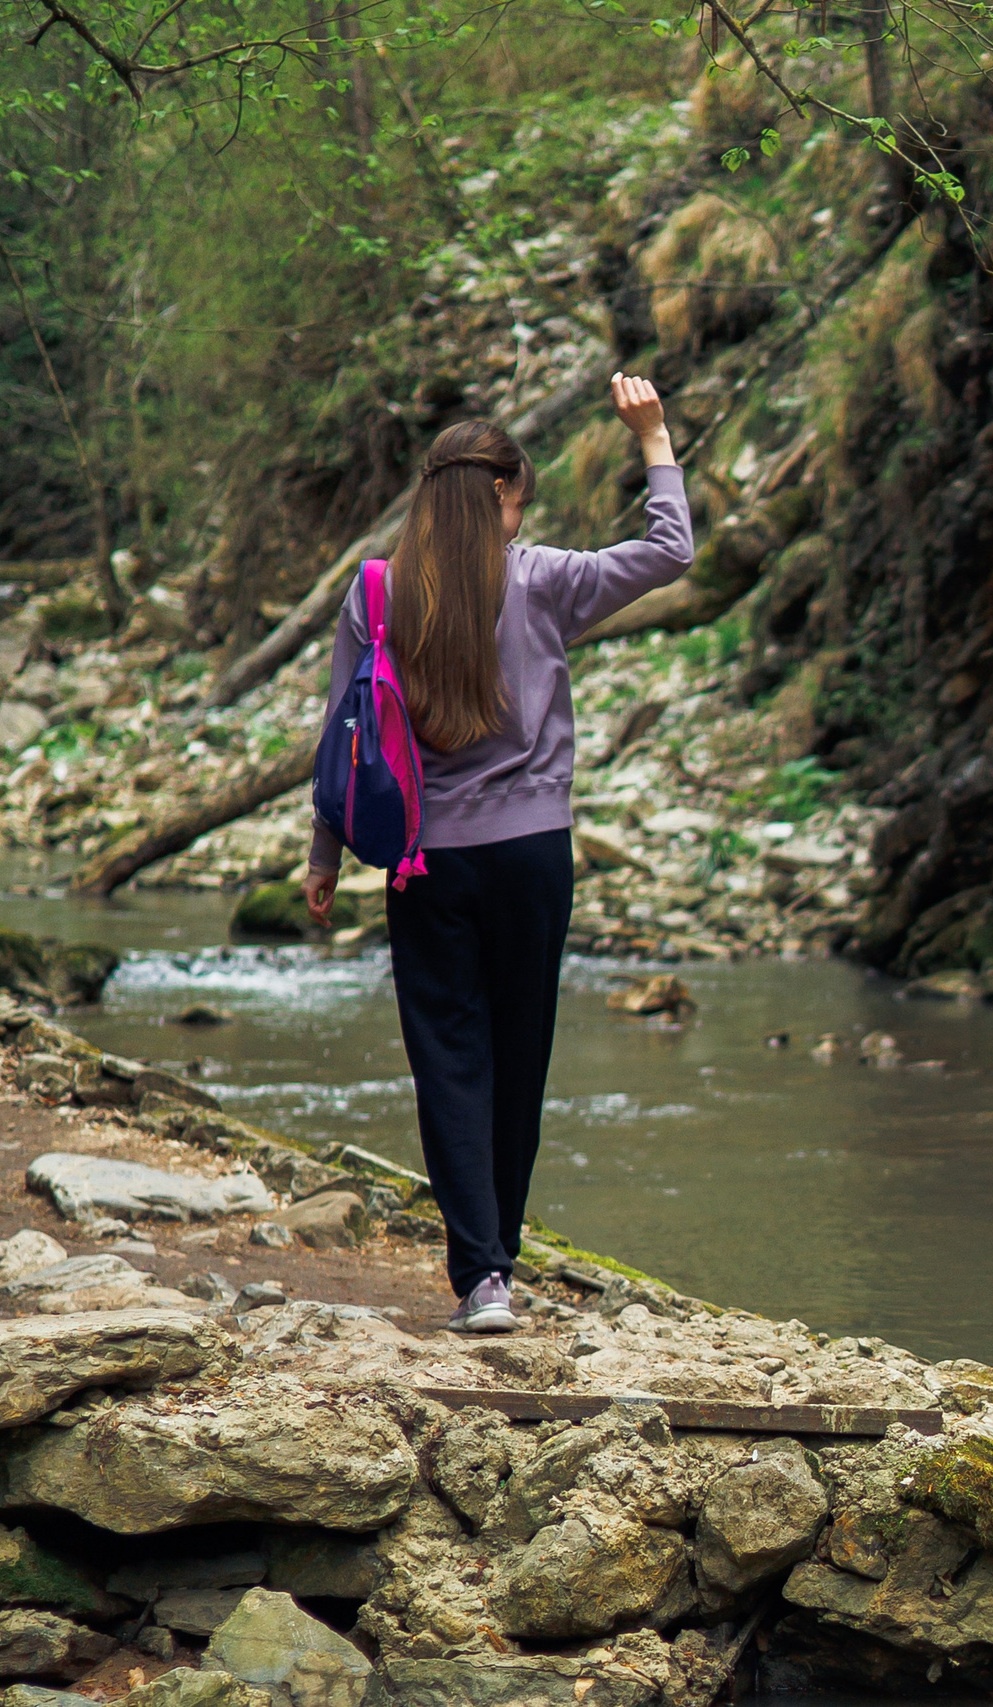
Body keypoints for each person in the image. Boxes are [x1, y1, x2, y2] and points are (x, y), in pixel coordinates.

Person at [302, 373, 692, 1333]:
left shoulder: (379, 587)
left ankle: (481, 1277)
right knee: (521, 1056)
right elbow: (670, 548)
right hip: (533, 858)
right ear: (505, 498)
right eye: (523, 498)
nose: (525, 516)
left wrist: (324, 852)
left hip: (424, 865)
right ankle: (498, 1266)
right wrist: (653, 438)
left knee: (450, 1060)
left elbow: (343, 732)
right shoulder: (547, 578)